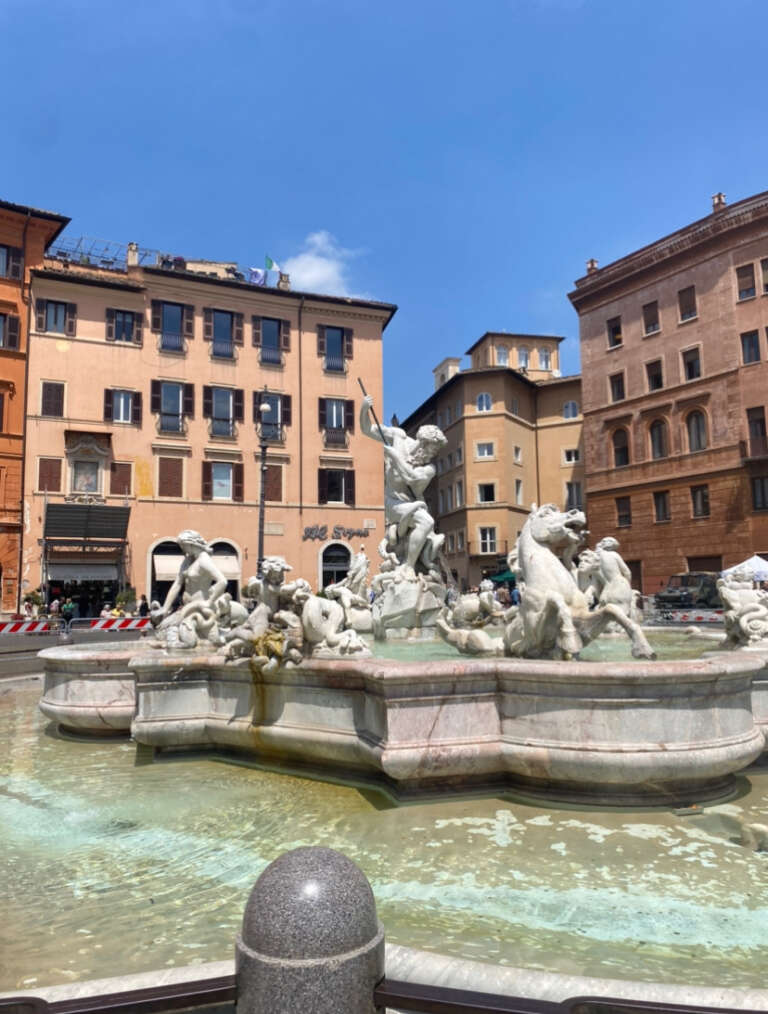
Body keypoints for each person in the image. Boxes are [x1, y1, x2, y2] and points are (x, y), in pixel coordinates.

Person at [360, 393, 447, 573]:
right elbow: (367, 429)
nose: (432, 455)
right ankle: (407, 566)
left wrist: (394, 456)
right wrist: (364, 409)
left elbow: (411, 478)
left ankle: (409, 565)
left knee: (426, 522)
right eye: (432, 450)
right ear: (423, 443)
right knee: (426, 522)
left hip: (412, 504)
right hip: (393, 503)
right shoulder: (398, 437)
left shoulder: (429, 468)